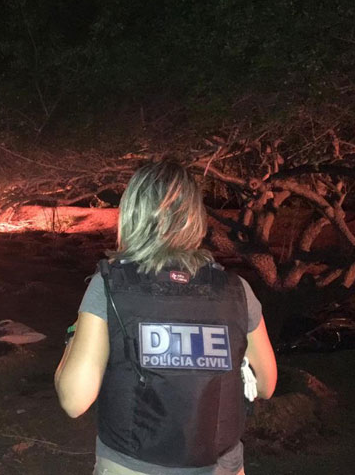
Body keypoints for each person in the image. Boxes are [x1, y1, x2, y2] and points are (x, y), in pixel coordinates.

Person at [55, 161, 277, 475]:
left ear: (132, 214)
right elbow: (266, 384)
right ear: (195, 218)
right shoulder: (236, 290)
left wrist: (74, 335)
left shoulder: (110, 286)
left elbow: (74, 400)